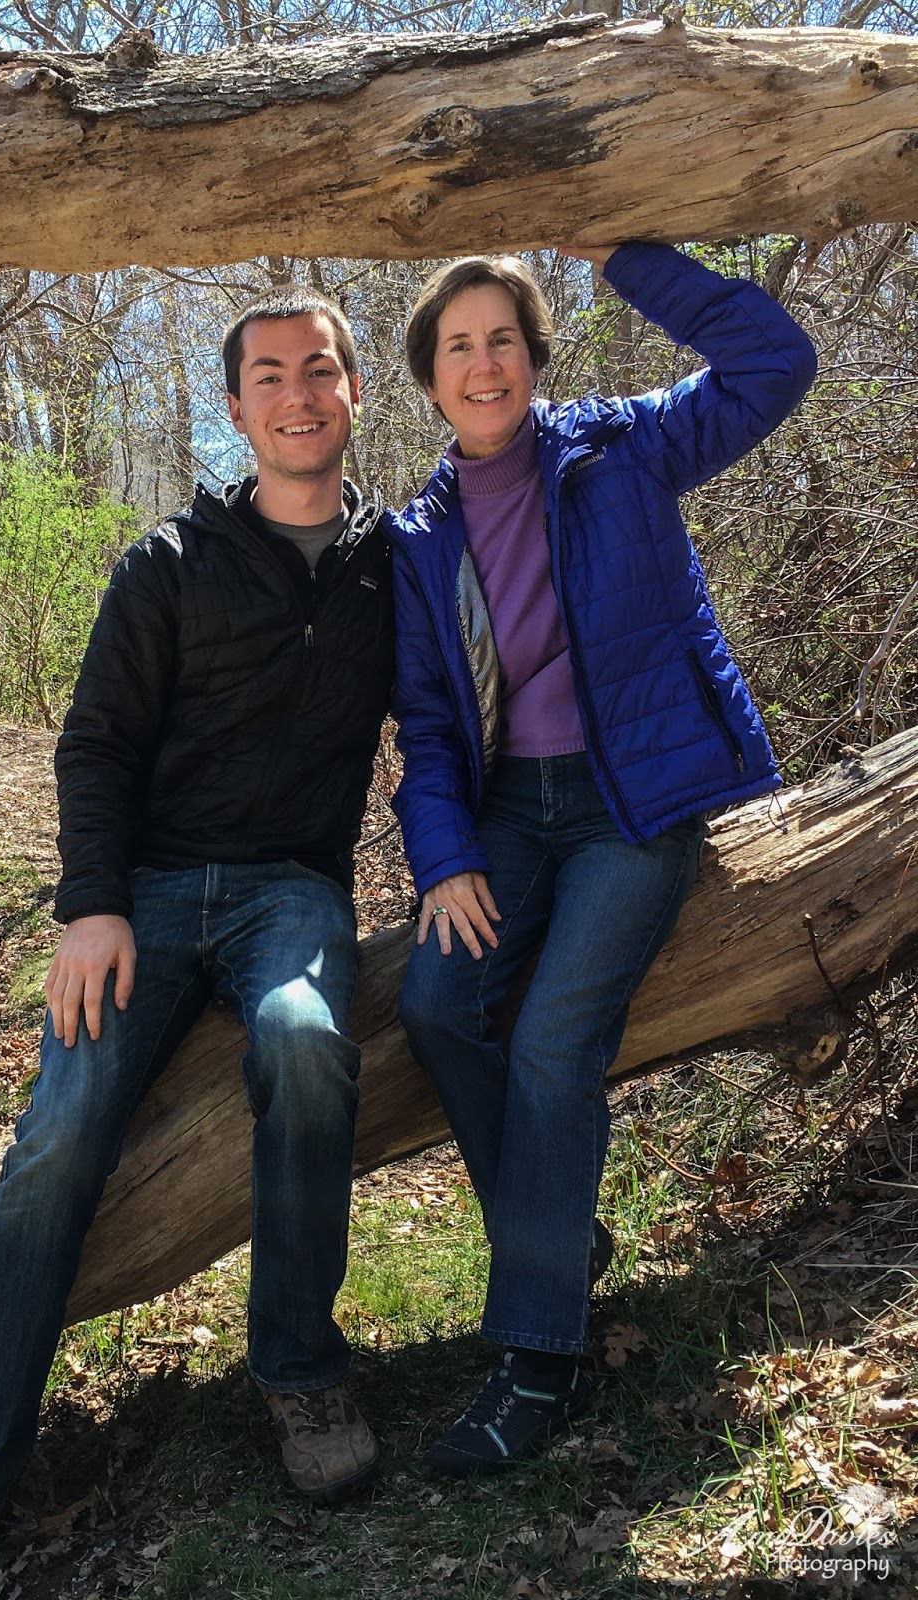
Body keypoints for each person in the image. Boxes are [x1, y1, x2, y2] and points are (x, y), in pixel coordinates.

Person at [0, 287, 395, 1600]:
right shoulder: (166, 562)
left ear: (353, 391)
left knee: (304, 1044)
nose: (295, 394)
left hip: (291, 892)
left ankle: (299, 1371)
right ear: (234, 409)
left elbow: (456, 720)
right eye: (268, 376)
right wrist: (89, 903)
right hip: (147, 898)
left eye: (318, 370)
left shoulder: (392, 567)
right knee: (59, 1137)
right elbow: (96, 742)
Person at [388, 241, 816, 1474]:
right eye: (458, 346)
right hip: (510, 814)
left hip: (638, 802)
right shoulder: (419, 537)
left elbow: (774, 361)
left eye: (502, 339)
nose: (483, 364)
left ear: (533, 356)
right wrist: (444, 856)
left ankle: (537, 1361)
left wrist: (621, 253)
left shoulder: (620, 447)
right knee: (437, 1003)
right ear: (429, 376)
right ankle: (558, 1238)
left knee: (551, 1040)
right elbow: (427, 721)